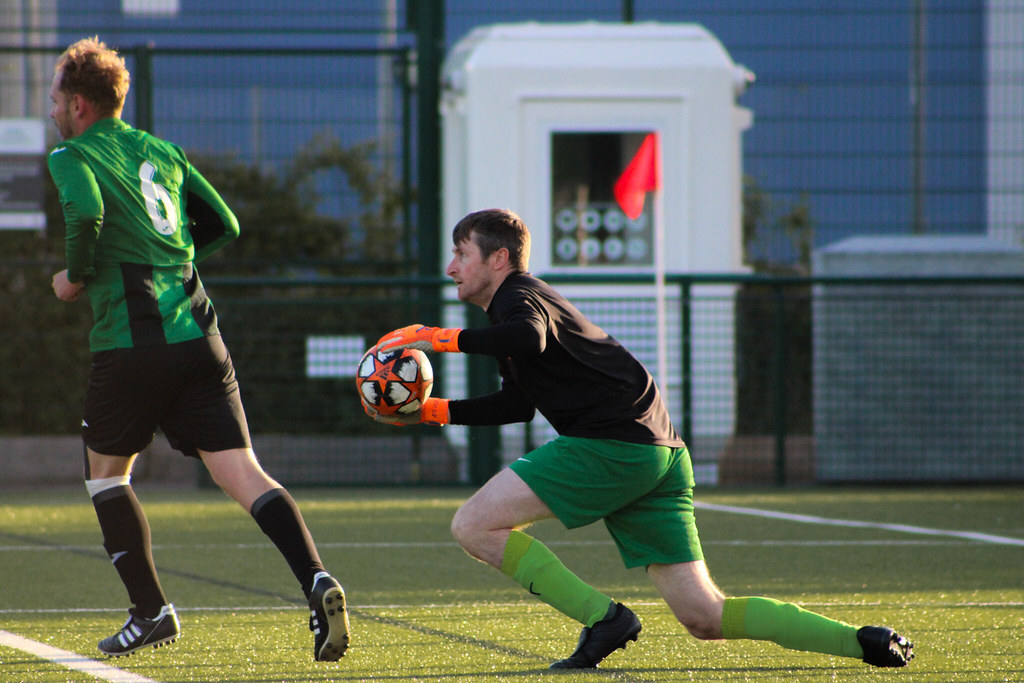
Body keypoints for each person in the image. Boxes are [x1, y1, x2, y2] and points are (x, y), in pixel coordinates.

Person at [366, 207, 914, 670]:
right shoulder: (517, 306)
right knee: (705, 615)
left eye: (461, 253)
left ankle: (605, 620)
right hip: (659, 454)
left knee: (473, 525)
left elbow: (528, 338)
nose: (451, 267)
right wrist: (428, 411)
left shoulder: (519, 297)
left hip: (613, 446)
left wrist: (436, 338)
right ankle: (860, 641)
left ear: (498, 259)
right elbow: (517, 404)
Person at [47, 37, 349, 661]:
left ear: (78, 104)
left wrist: (75, 277)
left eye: (55, 97)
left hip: (133, 342)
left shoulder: (72, 154)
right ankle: (316, 578)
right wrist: (172, 261)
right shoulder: (164, 151)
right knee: (244, 472)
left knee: (106, 475)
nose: (52, 108)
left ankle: (150, 612)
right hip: (200, 334)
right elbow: (224, 225)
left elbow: (86, 212)